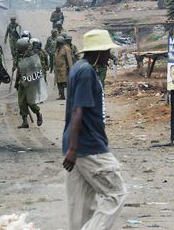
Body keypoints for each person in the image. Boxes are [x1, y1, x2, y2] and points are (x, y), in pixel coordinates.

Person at [62, 29, 127, 230]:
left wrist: (72, 148)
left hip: (77, 146)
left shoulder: (78, 68)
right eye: (107, 51)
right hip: (89, 146)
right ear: (98, 51)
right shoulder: (87, 72)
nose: (109, 56)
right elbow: (78, 111)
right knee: (116, 194)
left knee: (81, 204)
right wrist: (74, 149)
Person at [13, 38, 43, 129]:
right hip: (22, 81)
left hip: (31, 81)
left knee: (30, 101)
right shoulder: (20, 55)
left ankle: (38, 113)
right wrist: (16, 82)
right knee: (21, 102)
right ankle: (25, 121)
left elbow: (38, 68)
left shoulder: (32, 55)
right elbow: (19, 70)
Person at [55, 35, 73, 100]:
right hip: (58, 69)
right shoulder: (57, 49)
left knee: (67, 82)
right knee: (59, 83)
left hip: (64, 69)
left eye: (57, 42)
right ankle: (62, 95)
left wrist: (71, 69)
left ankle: (71, 95)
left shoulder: (66, 49)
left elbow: (69, 60)